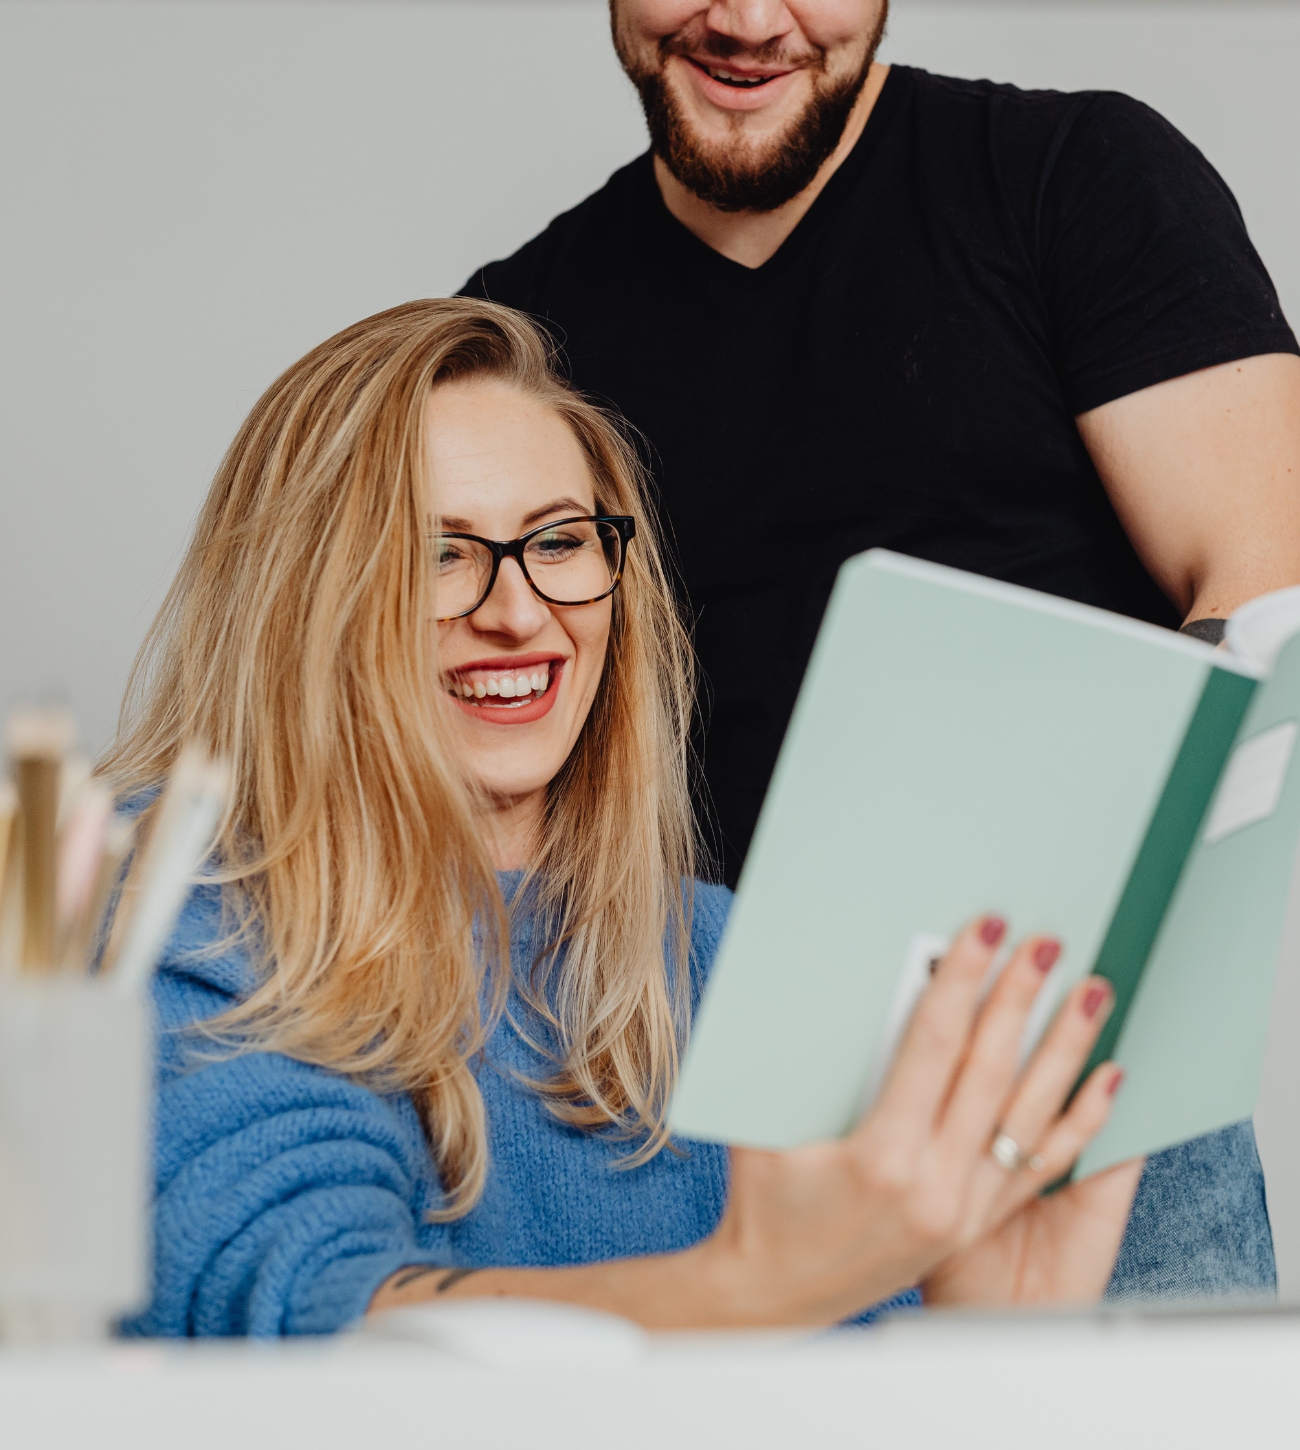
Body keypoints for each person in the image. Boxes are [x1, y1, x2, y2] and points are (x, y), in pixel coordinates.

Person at [461, 0, 1298, 1297]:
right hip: (678, 1111)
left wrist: (1074, 979)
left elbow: (1264, 592)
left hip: (1059, 1075)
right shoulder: (516, 334)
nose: (745, 19)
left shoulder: (1078, 182)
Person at [108, 299, 1142, 1337]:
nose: (516, 612)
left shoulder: (731, 951)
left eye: (558, 540)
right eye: (437, 554)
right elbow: (302, 1315)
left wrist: (980, 1346)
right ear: (302, 601)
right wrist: (746, 1291)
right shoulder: (178, 908)